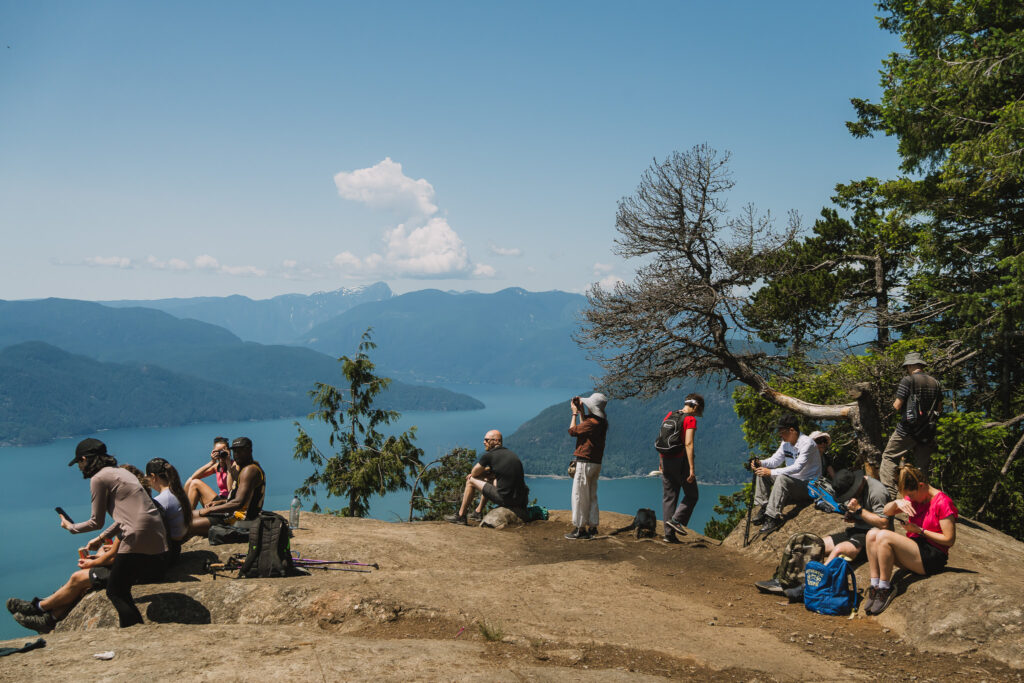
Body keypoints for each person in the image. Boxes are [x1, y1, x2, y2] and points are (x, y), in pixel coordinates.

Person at [61, 438, 168, 628]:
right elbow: (124, 517)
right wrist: (102, 538)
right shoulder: (122, 472)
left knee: (115, 591)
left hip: (137, 534)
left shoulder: (99, 478)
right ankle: (134, 629)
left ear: (85, 459)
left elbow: (96, 521)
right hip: (155, 530)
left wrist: (71, 527)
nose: (79, 467)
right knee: (122, 588)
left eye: (79, 462)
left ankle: (133, 632)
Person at [862, 465, 957, 616]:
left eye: (911, 496)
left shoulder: (942, 502)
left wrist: (920, 531)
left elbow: (949, 540)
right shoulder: (916, 497)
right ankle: (875, 585)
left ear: (921, 486)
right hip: (915, 550)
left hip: (933, 556)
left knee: (883, 536)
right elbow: (886, 511)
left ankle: (886, 588)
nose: (910, 499)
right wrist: (896, 503)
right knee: (872, 534)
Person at [7, 538, 122, 633]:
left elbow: (114, 556)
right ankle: (48, 616)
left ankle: (40, 608)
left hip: (129, 570)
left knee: (78, 579)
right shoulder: (132, 517)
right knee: (99, 555)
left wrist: (93, 562)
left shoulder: (131, 519)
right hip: (128, 562)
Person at [878, 352, 943, 499]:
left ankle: (889, 495)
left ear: (910, 366)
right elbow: (939, 409)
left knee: (889, 457)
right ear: (921, 365)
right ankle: (922, 500)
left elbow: (897, 405)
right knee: (921, 468)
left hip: (907, 430)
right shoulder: (935, 383)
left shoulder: (908, 381)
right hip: (927, 431)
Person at [751, 414, 822, 535]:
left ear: (792, 430)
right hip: (793, 483)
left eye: (782, 431)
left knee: (781, 478)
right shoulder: (786, 443)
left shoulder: (807, 443)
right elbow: (775, 460)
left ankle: (773, 518)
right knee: (762, 472)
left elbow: (797, 467)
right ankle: (765, 506)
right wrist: (760, 463)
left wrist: (771, 472)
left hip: (809, 486)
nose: (780, 435)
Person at [446, 430, 528, 525]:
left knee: (470, 480)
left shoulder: (489, 456)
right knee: (489, 480)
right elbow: (501, 473)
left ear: (496, 441)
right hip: (520, 500)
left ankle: (461, 516)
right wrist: (487, 474)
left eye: (486, 440)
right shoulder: (511, 454)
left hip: (506, 500)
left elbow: (474, 473)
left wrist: (481, 473)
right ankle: (477, 512)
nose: (484, 442)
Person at [190, 437, 265, 538]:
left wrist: (210, 510)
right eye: (235, 451)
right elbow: (239, 498)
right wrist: (219, 502)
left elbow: (238, 503)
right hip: (232, 514)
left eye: (240, 451)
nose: (237, 454)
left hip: (239, 520)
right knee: (186, 517)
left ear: (249, 450)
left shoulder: (249, 470)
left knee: (187, 524)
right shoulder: (246, 468)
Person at [659, 393, 704, 543]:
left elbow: (663, 439)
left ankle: (668, 535)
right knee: (692, 495)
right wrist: (692, 468)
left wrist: (660, 461)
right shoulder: (690, 419)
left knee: (669, 497)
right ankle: (676, 520)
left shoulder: (670, 415)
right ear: (696, 406)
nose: (699, 414)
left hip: (666, 460)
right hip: (680, 461)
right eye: (699, 410)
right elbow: (689, 444)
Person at [823, 468, 891, 563]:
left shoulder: (877, 492)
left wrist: (859, 510)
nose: (849, 497)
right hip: (858, 531)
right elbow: (864, 517)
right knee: (819, 544)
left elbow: (884, 523)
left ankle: (821, 573)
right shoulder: (857, 491)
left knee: (838, 550)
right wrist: (854, 517)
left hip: (875, 537)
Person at [565, 392, 609, 540]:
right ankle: (592, 526)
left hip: (584, 462)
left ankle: (580, 528)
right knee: (591, 495)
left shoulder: (592, 423)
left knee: (579, 495)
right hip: (596, 463)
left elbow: (573, 431)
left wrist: (574, 414)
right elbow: (585, 427)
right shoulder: (601, 422)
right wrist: (582, 412)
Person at [146, 457, 192, 565]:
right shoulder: (177, 493)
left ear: (153, 477)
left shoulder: (161, 500)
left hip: (168, 554)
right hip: (176, 548)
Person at [184, 436, 234, 509]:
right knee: (190, 480)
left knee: (195, 483)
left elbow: (230, 491)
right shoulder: (217, 467)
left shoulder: (235, 466)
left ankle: (187, 515)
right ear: (214, 452)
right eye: (218, 451)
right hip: (219, 499)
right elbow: (194, 477)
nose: (221, 454)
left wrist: (228, 464)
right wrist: (212, 462)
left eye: (223, 451)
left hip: (227, 501)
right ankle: (184, 508)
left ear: (228, 451)